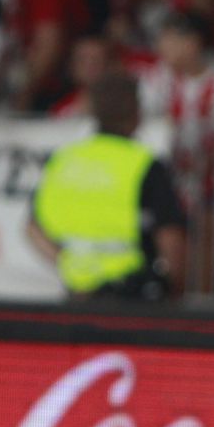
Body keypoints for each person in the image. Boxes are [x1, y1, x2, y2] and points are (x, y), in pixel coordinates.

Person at [28, 71, 187, 300]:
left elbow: (33, 227)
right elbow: (170, 237)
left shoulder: (65, 159)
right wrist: (172, 290)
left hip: (77, 295)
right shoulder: (144, 165)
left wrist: (68, 266)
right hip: (133, 296)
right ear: (136, 112)